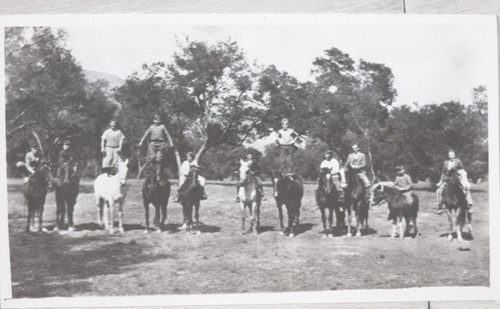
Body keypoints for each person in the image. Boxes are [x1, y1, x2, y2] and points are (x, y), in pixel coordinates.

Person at [436, 149, 473, 214]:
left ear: (454, 155)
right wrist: (440, 181)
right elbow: (443, 172)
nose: (451, 156)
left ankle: (469, 205)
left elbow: (462, 169)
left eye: (452, 154)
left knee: (465, 189)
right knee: (438, 191)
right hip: (447, 179)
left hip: (456, 179)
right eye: (450, 155)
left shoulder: (458, 161)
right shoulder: (445, 163)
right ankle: (440, 207)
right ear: (448, 156)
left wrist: (462, 177)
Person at [138, 114, 172, 182]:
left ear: (160, 120)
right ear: (154, 120)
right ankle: (151, 173)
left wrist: (171, 142)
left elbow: (167, 135)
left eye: (158, 120)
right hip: (152, 143)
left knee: (159, 159)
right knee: (152, 158)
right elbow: (146, 134)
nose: (157, 121)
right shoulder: (151, 127)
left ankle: (158, 174)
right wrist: (141, 141)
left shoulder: (162, 127)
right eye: (156, 120)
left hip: (161, 143)